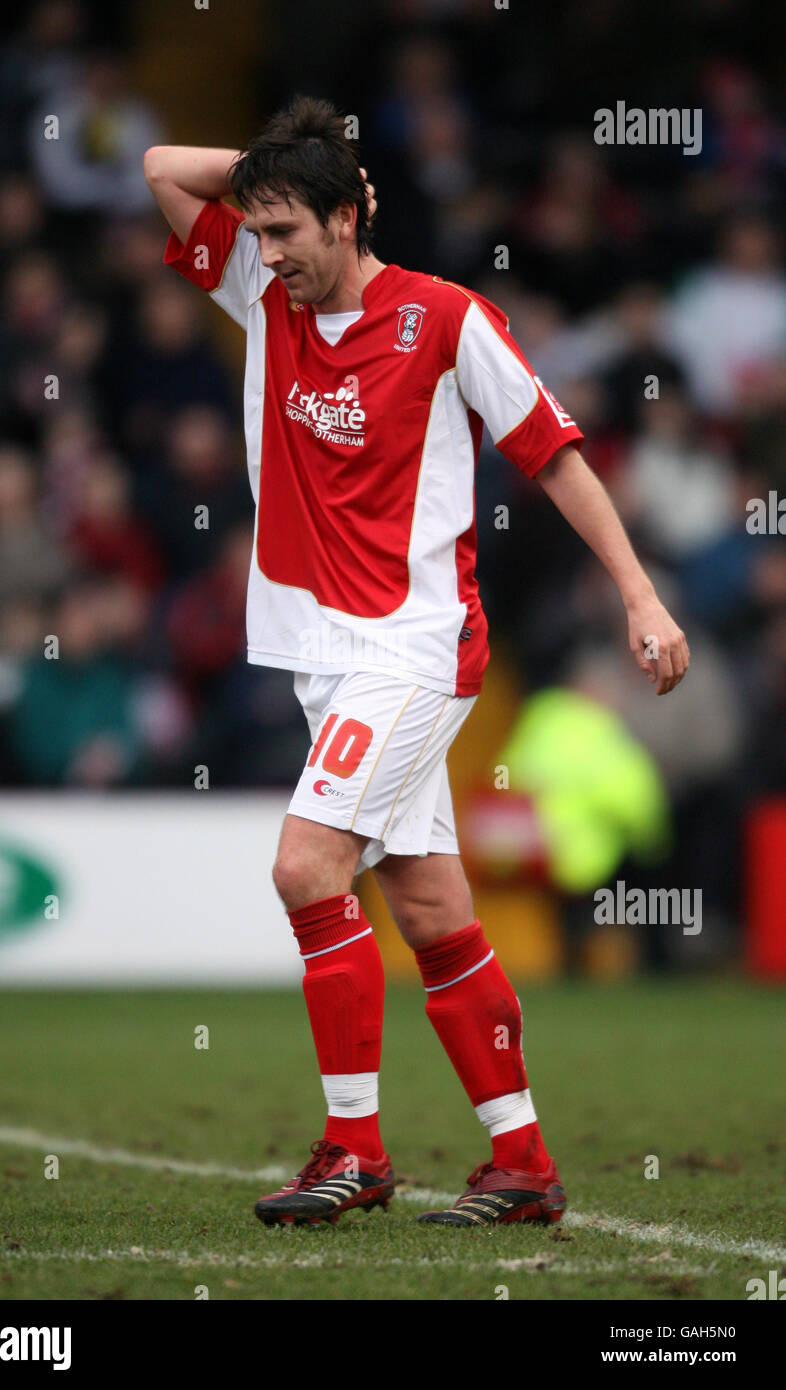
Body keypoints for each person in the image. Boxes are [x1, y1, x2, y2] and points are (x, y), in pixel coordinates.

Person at [145, 97, 689, 1229]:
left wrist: (638, 593)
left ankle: (353, 1149)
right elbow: (158, 168)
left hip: (409, 647)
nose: (268, 252)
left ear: (349, 220)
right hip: (321, 659)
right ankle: (523, 1162)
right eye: (258, 230)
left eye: (289, 228)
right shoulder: (261, 291)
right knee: (434, 909)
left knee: (306, 868)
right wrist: (277, 172)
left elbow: (554, 453)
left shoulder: (446, 321)